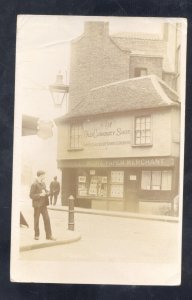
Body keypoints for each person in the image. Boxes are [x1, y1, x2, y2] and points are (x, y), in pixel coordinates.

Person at [29, 170, 56, 240]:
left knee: (47, 220)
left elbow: (45, 191)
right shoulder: (34, 184)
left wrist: (48, 193)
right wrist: (40, 195)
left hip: (44, 205)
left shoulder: (43, 183)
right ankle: (36, 235)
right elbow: (31, 195)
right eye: (44, 175)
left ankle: (49, 236)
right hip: (37, 206)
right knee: (36, 221)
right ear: (40, 175)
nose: (45, 176)